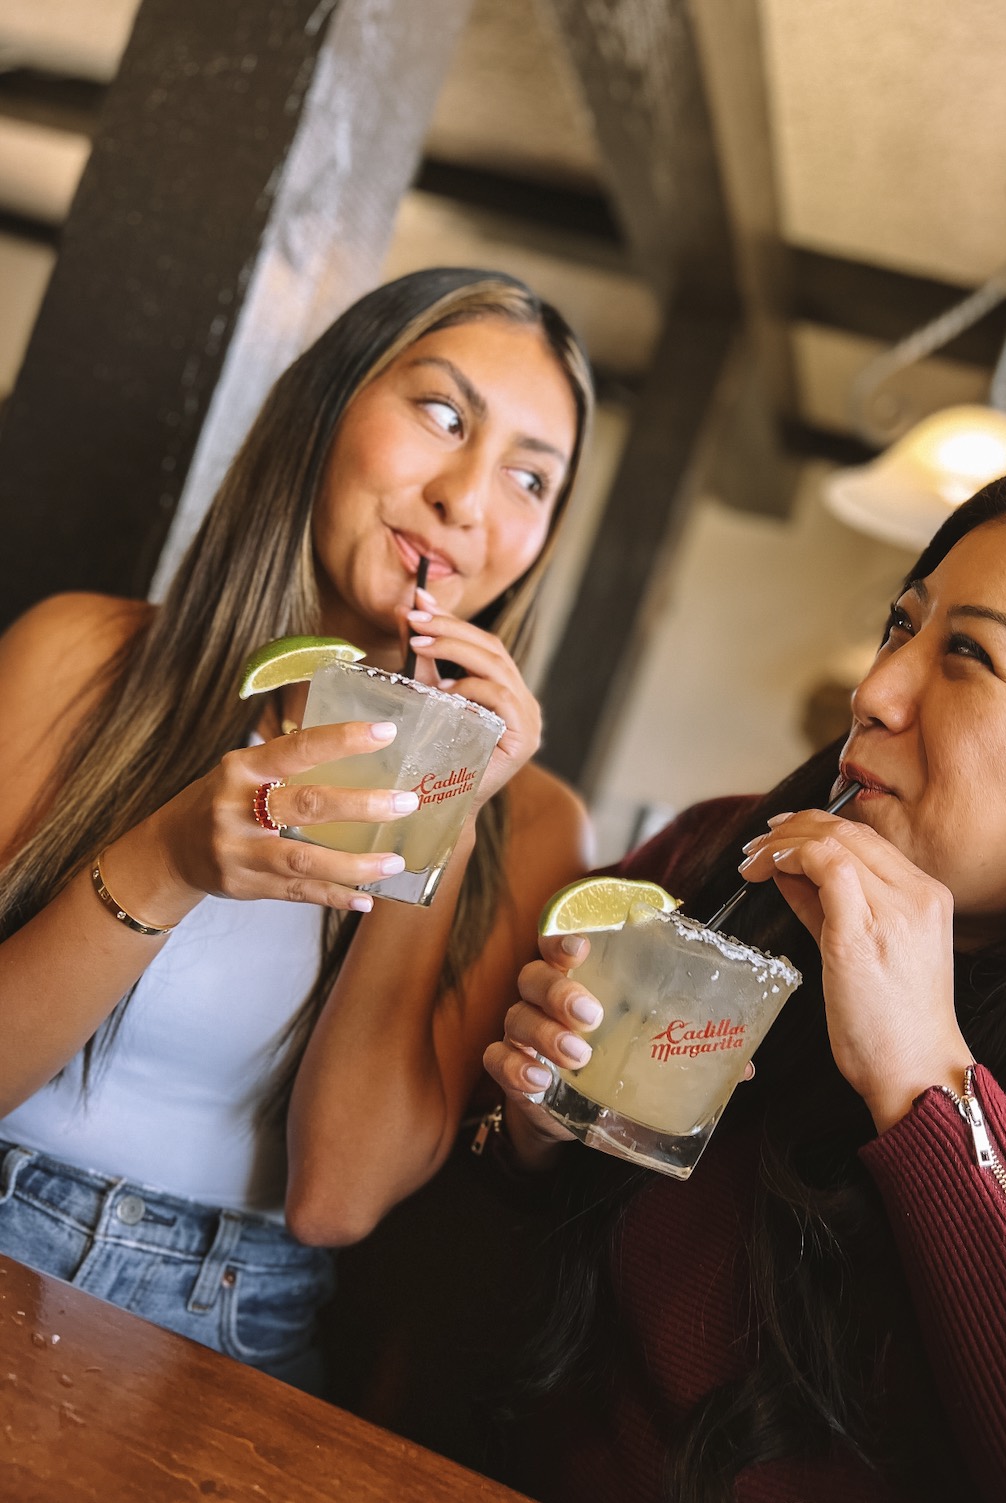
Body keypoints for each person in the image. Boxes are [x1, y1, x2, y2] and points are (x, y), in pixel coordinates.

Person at [483, 452, 1006, 1503]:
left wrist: (925, 1079)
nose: (877, 689)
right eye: (899, 628)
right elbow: (476, 1261)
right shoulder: (719, 865)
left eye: (966, 654)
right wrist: (525, 1131)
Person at [0, 267, 593, 1388]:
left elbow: (336, 1198)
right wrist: (171, 860)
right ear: (325, 411)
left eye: (530, 476)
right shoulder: (79, 658)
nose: (468, 499)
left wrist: (448, 812)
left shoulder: (539, 823)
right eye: (441, 413)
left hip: (231, 1326)